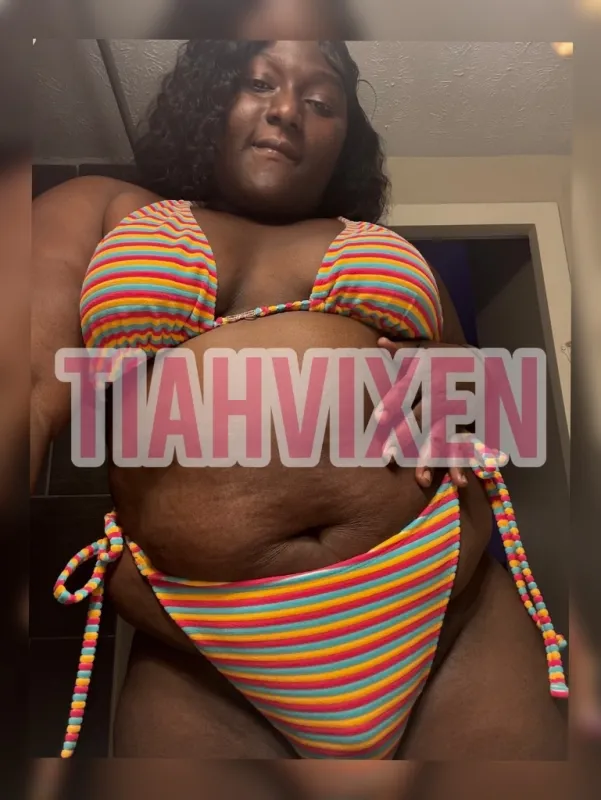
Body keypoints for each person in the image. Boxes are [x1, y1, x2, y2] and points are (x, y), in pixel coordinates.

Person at [32, 40, 567, 760]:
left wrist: (451, 384)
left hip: (449, 610)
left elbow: (490, 405)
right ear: (212, 100)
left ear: (344, 139)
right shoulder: (108, 209)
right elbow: (24, 393)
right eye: (258, 83)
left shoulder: (380, 245)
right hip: (205, 654)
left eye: (321, 102)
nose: (287, 110)